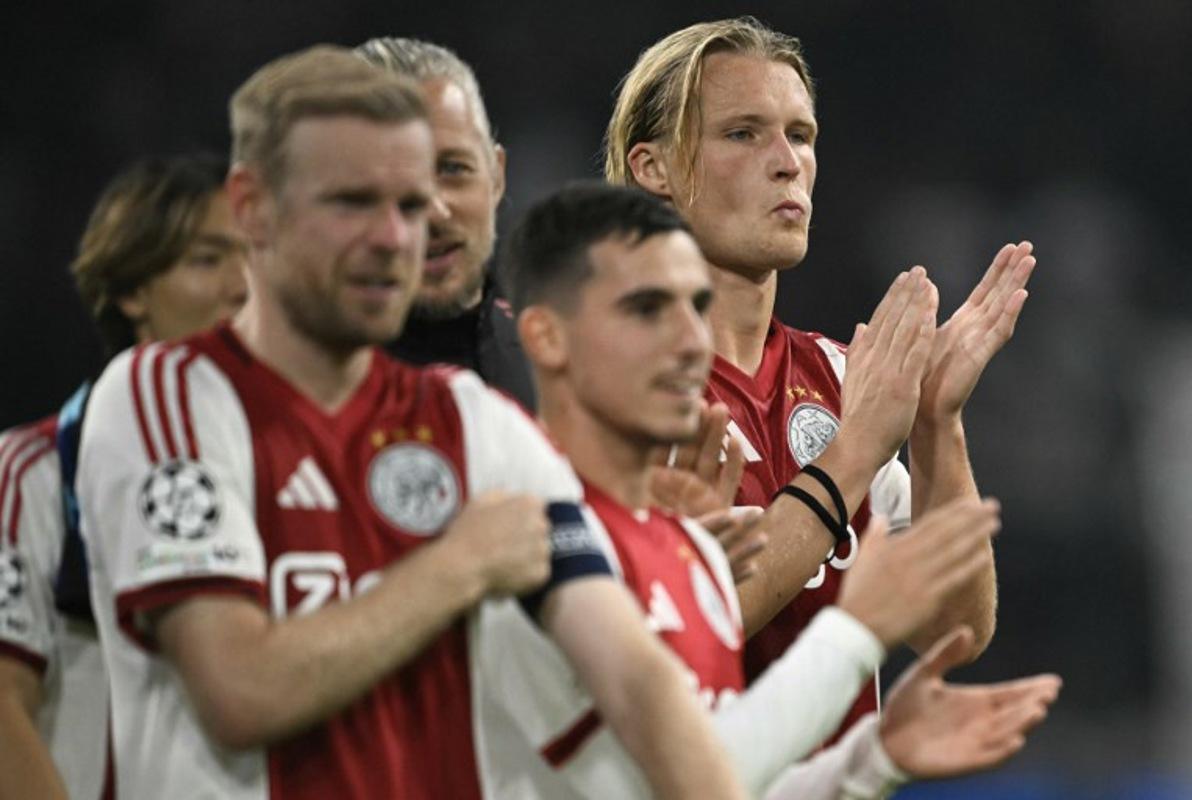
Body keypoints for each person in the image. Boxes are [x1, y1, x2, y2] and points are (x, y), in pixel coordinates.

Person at [77, 46, 747, 799]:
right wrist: (457, 565)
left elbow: (635, 679)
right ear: (251, 208)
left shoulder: (470, 421)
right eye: (352, 202)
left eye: (411, 204)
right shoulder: (165, 396)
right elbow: (238, 690)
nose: (400, 236)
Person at [495, 181, 1059, 798]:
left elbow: (711, 767)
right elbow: (685, 782)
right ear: (547, 337)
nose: (687, 339)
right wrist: (854, 633)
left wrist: (873, 756)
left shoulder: (832, 386)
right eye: (647, 308)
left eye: (692, 305)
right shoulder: (528, 522)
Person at [606, 17, 1034, 737]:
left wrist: (934, 423)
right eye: (743, 133)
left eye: (800, 136)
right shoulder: (610, 384)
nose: (786, 162)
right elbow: (689, 625)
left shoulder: (841, 379)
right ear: (654, 170)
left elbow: (955, 630)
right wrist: (856, 452)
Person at [0, 152, 247, 800]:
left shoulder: (289, 473)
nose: (242, 287)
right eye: (208, 259)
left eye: (256, 256)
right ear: (131, 290)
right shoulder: (32, 473)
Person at [356, 36, 535, 410]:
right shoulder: (283, 386)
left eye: (453, 168)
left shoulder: (567, 368)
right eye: (392, 182)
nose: (434, 211)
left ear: (496, 176)